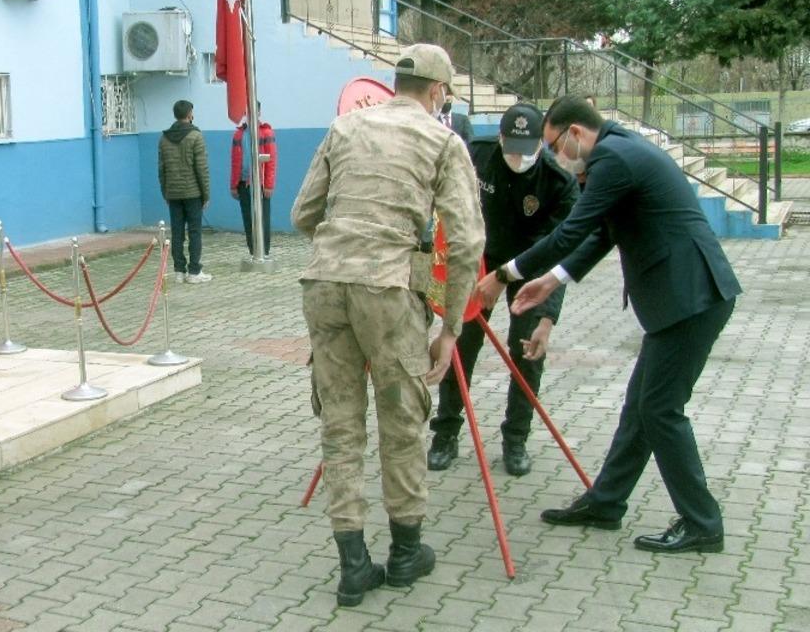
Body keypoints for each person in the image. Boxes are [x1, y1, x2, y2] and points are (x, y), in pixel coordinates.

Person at [478, 95, 741, 554]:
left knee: (660, 410)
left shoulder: (613, 158)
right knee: (641, 408)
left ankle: (702, 522)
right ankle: (606, 502)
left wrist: (505, 274)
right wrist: (552, 279)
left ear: (576, 133)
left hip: (692, 299)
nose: (555, 156)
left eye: (554, 145)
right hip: (682, 300)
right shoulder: (620, 150)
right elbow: (602, 233)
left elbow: (570, 231)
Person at [292, 44, 484, 606]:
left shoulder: (344, 127)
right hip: (390, 288)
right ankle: (405, 553)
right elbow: (467, 241)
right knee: (402, 422)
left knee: (340, 424)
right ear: (438, 92)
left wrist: (346, 246)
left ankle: (353, 566)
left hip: (324, 283)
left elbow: (303, 214)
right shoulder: (443, 141)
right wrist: (450, 327)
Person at [428, 103, 579, 476]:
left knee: (527, 352)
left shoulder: (559, 182)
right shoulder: (475, 155)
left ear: (541, 143)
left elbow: (559, 254)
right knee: (461, 346)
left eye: (526, 149)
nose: (518, 157)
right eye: (511, 148)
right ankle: (445, 433)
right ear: (499, 138)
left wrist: (547, 317)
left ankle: (515, 440)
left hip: (530, 269)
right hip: (479, 263)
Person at [158, 100, 211, 283]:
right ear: (189, 114)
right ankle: (194, 271)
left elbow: (161, 170)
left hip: (173, 193)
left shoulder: (164, 138)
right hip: (193, 193)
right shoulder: (196, 136)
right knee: (195, 232)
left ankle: (179, 271)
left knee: (177, 232)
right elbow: (202, 169)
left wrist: (165, 192)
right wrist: (206, 195)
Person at [229, 104, 277, 257]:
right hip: (243, 183)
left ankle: (264, 252)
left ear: (259, 112)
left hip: (260, 184)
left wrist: (268, 185)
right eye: (247, 111)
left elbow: (271, 160)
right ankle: (253, 251)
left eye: (254, 110)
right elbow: (235, 161)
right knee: (248, 219)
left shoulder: (266, 132)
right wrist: (233, 184)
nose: (250, 114)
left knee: (263, 219)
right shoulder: (238, 135)